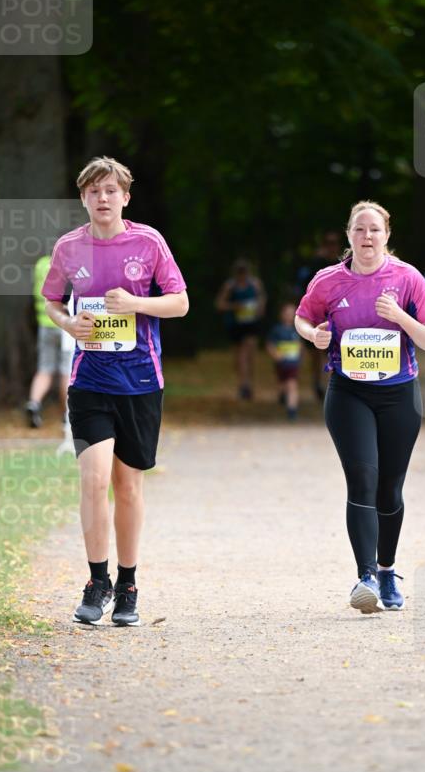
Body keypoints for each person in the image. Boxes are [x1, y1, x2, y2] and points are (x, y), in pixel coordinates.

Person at [42, 156, 189, 626]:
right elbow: (52, 301)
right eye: (93, 191)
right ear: (82, 198)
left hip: (140, 382)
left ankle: (128, 585)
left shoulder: (148, 243)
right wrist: (69, 324)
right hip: (89, 383)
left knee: (127, 487)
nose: (102, 199)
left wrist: (135, 303)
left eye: (111, 191)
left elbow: (180, 302)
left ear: (125, 197)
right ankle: (96, 581)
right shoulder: (68, 248)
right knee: (93, 480)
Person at [294, 200, 425, 613]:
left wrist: (400, 316)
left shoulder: (408, 278)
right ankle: (365, 579)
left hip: (398, 394)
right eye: (359, 230)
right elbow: (302, 318)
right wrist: (314, 335)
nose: (367, 237)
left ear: (387, 235)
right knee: (362, 476)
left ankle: (386, 569)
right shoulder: (328, 281)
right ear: (348, 236)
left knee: (389, 488)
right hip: (348, 393)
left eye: (374, 230)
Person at [25, 254, 73, 428]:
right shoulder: (71, 263)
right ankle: (67, 415)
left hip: (45, 323)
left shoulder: (41, 264)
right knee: (66, 371)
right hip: (65, 323)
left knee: (44, 369)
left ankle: (34, 403)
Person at [296, 231, 343, 400]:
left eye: (334, 243)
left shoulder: (343, 263)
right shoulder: (314, 264)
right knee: (316, 352)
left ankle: (332, 386)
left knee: (333, 353)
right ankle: (317, 384)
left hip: (336, 313)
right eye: (328, 243)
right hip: (317, 313)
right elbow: (304, 287)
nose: (332, 247)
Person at [215, 259, 266, 400]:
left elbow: (261, 299)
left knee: (250, 354)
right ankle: (243, 384)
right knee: (240, 356)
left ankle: (248, 384)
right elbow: (220, 304)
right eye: (240, 273)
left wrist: (259, 309)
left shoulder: (255, 284)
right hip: (236, 324)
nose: (242, 275)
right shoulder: (230, 286)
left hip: (251, 323)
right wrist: (234, 306)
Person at [266, 301, 302, 420]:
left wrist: (301, 357)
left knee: (292, 385)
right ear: (281, 314)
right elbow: (270, 345)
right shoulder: (277, 330)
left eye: (292, 313)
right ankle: (282, 395)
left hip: (293, 365)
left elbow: (300, 346)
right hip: (281, 364)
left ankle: (292, 411)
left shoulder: (297, 330)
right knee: (283, 384)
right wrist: (275, 354)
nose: (289, 315)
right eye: (287, 313)